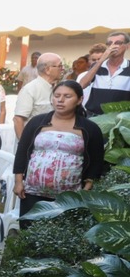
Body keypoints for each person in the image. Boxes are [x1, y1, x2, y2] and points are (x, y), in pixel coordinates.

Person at [13, 80, 104, 228]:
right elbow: (22, 152)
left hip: (69, 199)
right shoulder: (37, 122)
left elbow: (96, 161)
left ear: (79, 100)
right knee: (29, 233)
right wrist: (18, 182)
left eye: (67, 96)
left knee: (62, 236)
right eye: (57, 96)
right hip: (32, 194)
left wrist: (86, 190)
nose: (60, 100)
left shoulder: (89, 128)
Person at [13, 53, 64, 139]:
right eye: (60, 66)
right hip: (33, 142)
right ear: (47, 69)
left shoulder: (59, 88)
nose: (62, 69)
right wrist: (24, 144)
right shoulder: (30, 90)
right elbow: (18, 120)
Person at [79, 32, 130, 115]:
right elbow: (82, 85)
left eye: (118, 43)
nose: (113, 46)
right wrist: (101, 60)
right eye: (109, 43)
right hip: (94, 116)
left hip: (120, 119)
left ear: (127, 46)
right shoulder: (97, 66)